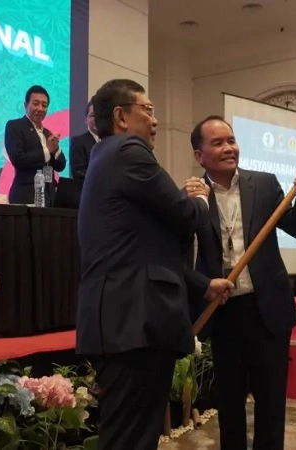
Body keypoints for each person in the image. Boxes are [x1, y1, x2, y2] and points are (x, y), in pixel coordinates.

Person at [75, 80, 233, 450]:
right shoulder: (129, 151)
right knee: (132, 437)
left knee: (128, 434)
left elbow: (144, 247)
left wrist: (200, 284)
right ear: (121, 117)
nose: (155, 120)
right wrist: (199, 199)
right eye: (146, 110)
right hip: (134, 323)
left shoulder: (105, 156)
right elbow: (182, 215)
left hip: (120, 321)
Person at [184, 116, 296, 450]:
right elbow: (179, 254)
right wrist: (203, 283)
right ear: (199, 156)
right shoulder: (193, 195)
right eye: (218, 143)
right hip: (223, 311)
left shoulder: (264, 184)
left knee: (271, 402)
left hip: (267, 309)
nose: (229, 148)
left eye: (231, 140)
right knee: (229, 402)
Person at [5, 85, 66, 205]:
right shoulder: (15, 126)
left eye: (44, 105)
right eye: (36, 103)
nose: (40, 108)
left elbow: (60, 166)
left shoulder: (48, 133)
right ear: (26, 105)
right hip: (26, 197)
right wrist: (47, 151)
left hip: (49, 198)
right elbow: (18, 159)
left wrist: (56, 149)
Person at [69, 96, 98, 180]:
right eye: (93, 115)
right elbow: (78, 172)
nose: (96, 119)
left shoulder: (109, 141)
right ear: (86, 120)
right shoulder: (78, 142)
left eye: (100, 115)